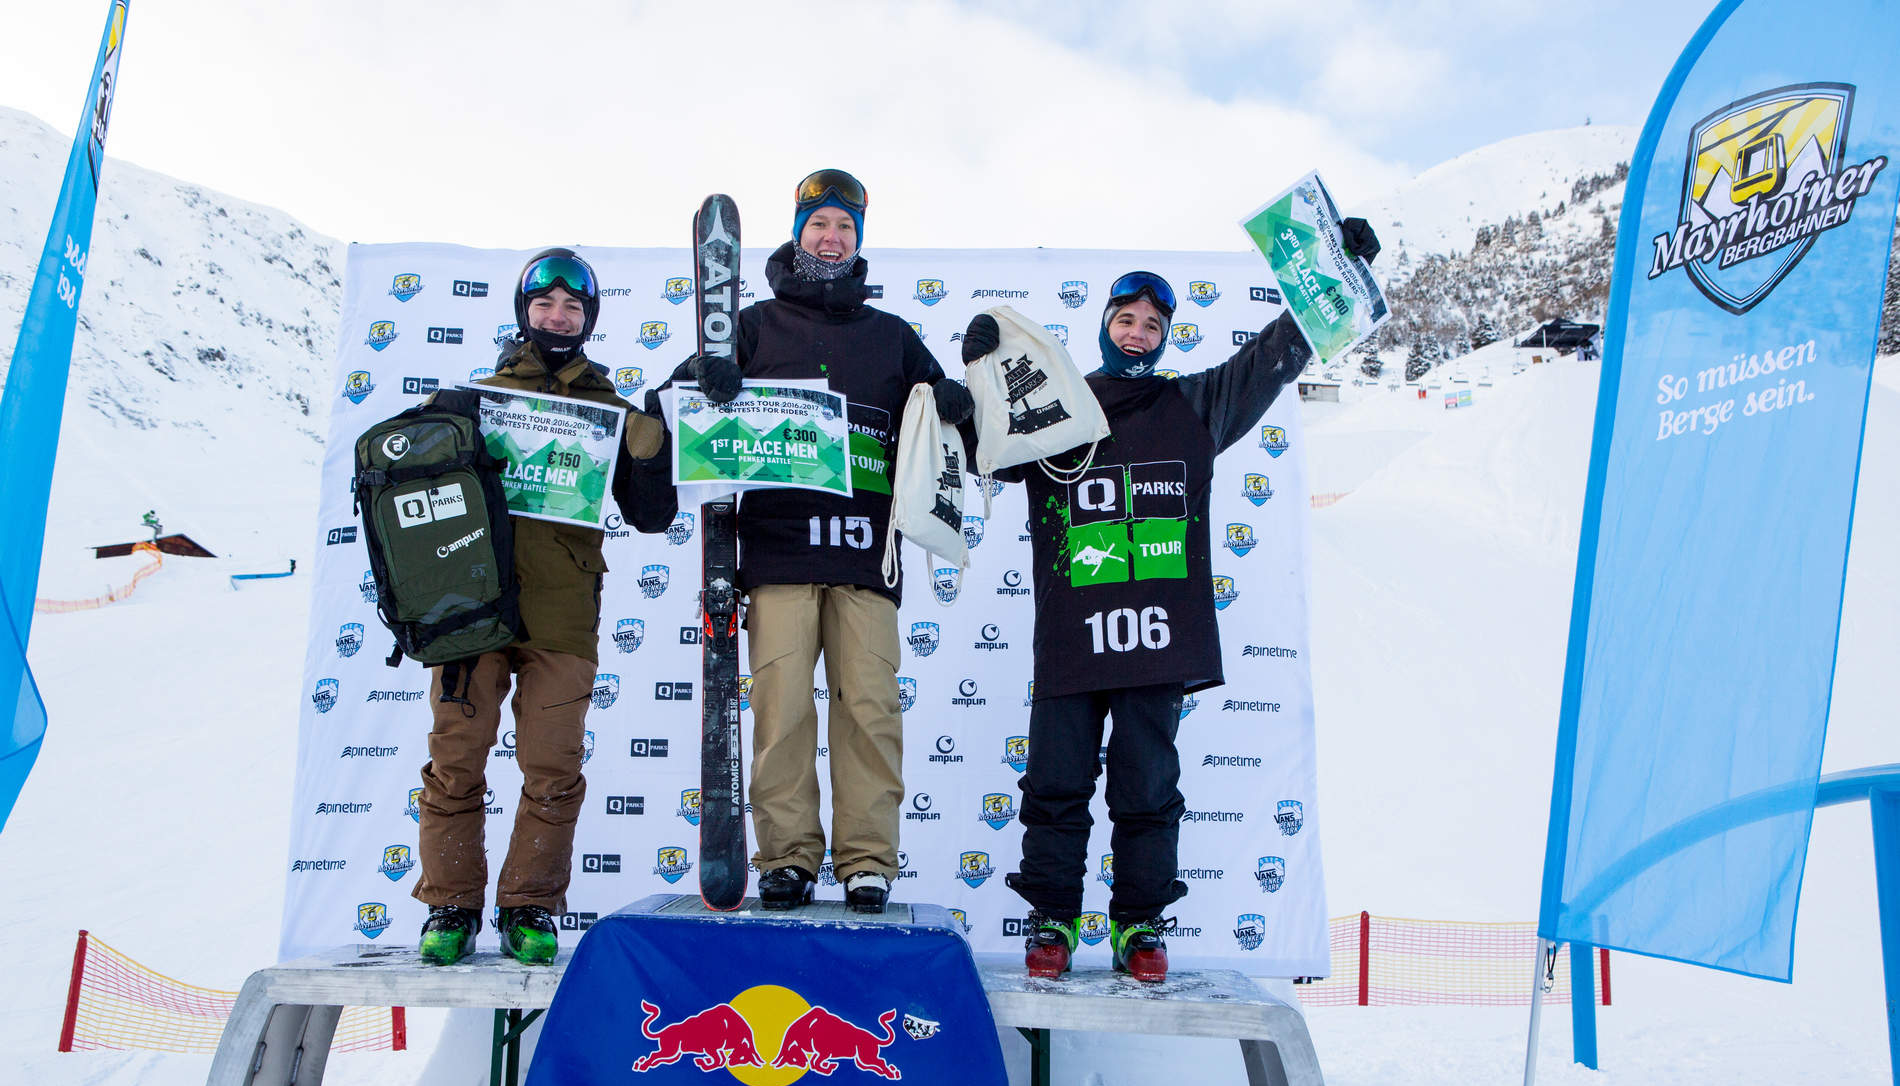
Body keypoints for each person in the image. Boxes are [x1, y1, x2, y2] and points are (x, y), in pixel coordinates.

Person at [964, 220, 1380, 981]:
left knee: (1147, 786)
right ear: (1104, 327)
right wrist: (982, 363)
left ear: (1164, 339)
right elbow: (975, 440)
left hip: (1157, 636)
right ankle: (1052, 921)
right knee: (1056, 780)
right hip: (1071, 633)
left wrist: (1335, 269)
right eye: (1126, 319)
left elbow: (1273, 357)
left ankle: (1139, 927)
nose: (1138, 331)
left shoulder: (1195, 404)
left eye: (1153, 324)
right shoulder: (1058, 407)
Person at [659, 169, 974, 914]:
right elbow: (674, 413)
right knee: (781, 710)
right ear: (797, 233)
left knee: (869, 709)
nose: (831, 238)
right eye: (819, 225)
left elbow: (943, 428)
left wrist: (955, 402)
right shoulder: (755, 326)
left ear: (858, 241)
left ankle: (867, 860)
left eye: (844, 228)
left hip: (869, 555)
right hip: (777, 552)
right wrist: (705, 381)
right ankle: (788, 857)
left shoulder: (892, 336)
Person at [413, 247, 678, 965]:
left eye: (572, 307)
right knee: (456, 758)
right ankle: (449, 908)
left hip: (563, 618)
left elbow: (652, 515)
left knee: (552, 767)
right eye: (544, 304)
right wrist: (441, 425)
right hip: (472, 609)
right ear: (523, 312)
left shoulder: (607, 411)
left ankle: (529, 906)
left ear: (588, 318)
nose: (557, 316)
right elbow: (413, 492)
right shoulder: (480, 397)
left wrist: (652, 449)